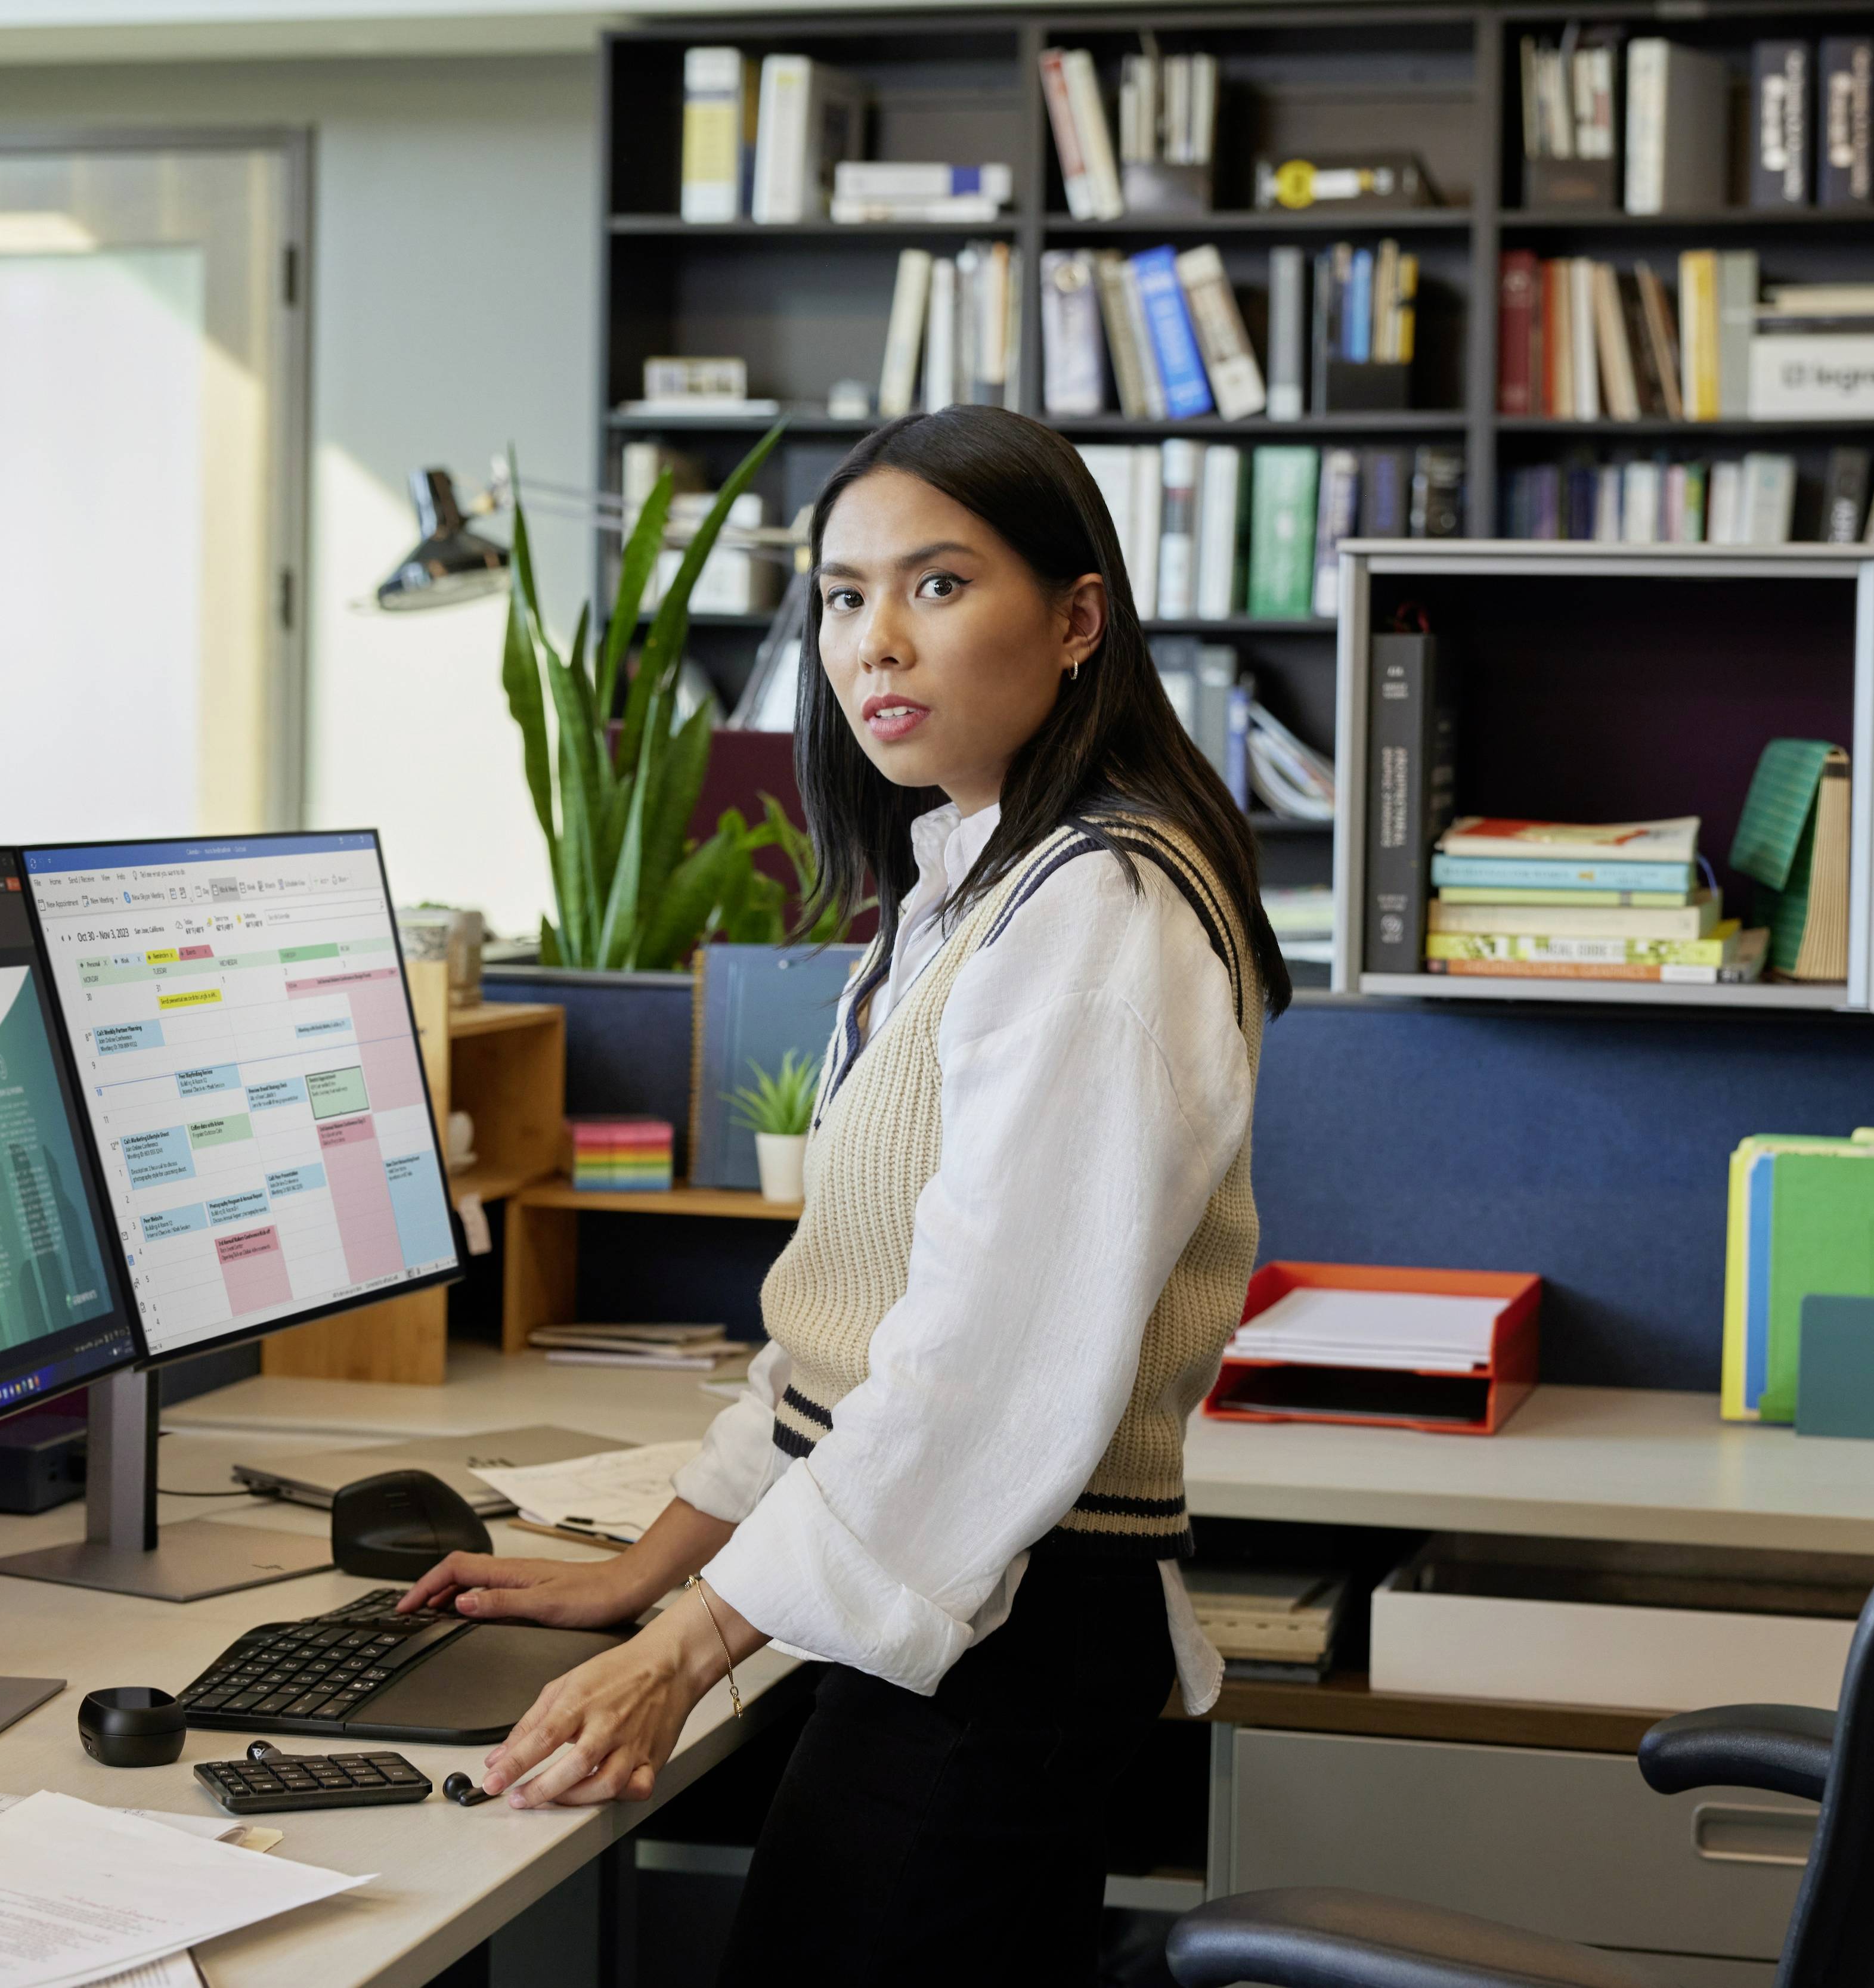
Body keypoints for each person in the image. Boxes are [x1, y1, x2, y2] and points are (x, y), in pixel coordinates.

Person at [397, 402, 1291, 1983]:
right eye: (842, 595)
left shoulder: (1102, 917)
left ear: (1079, 619)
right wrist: (647, 1570)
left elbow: (968, 1385)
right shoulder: (970, 885)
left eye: (938, 586)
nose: (876, 641)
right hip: (924, 1592)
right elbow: (846, 1354)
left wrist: (682, 1652)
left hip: (1001, 1624)